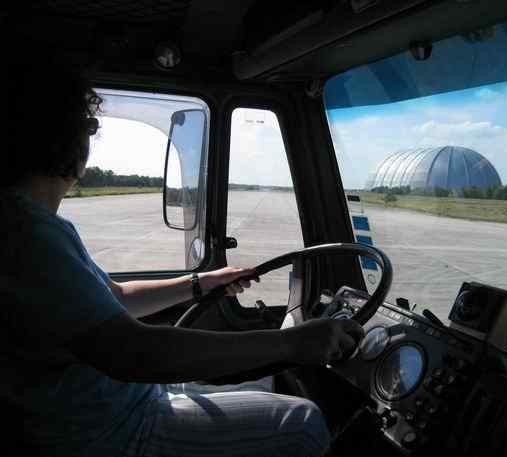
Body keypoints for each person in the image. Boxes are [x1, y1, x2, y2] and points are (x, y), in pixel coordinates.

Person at [0, 46, 364, 457]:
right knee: (302, 423)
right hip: (111, 430)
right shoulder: (27, 237)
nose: (89, 137)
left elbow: (115, 301)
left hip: (112, 404)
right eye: (87, 125)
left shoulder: (33, 228)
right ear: (62, 135)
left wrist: (201, 281)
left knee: (267, 383)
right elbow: (132, 352)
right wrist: (291, 344)